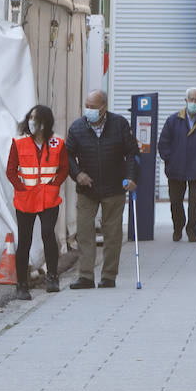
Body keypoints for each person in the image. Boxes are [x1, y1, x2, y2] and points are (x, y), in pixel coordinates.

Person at [65, 90, 138, 289]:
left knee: (112, 234)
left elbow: (132, 153)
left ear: (104, 107)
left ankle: (108, 276)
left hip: (114, 187)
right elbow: (67, 155)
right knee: (84, 232)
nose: (88, 110)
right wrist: (77, 173)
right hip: (87, 189)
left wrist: (131, 177)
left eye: (93, 107)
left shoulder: (119, 124)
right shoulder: (77, 127)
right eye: (87, 106)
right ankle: (85, 276)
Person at [6, 105, 68, 299]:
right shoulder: (19, 142)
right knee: (24, 240)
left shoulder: (58, 142)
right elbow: (10, 170)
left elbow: (64, 168)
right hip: (26, 198)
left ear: (44, 122)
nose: (31, 121)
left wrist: (55, 185)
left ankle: (52, 277)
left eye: (36, 118)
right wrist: (21, 188)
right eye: (30, 117)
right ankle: (21, 285)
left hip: (49, 198)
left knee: (48, 233)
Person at [157, 87, 196, 242]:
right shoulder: (173, 120)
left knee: (194, 202)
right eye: (191, 99)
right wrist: (169, 159)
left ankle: (192, 230)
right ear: (186, 101)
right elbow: (163, 143)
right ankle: (178, 227)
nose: (194, 102)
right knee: (175, 201)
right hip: (175, 168)